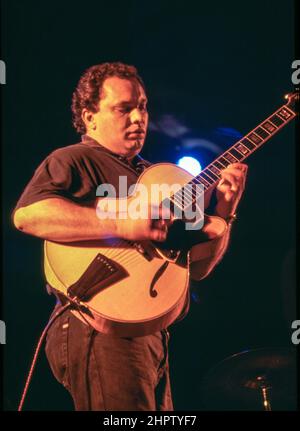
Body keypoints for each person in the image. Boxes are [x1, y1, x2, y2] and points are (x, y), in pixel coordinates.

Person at [13, 62, 248, 411]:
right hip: (96, 325)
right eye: (124, 108)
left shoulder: (153, 176)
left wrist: (226, 211)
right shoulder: (74, 159)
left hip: (148, 331)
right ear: (90, 116)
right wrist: (123, 226)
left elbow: (198, 268)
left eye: (143, 106)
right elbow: (29, 215)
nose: (139, 117)